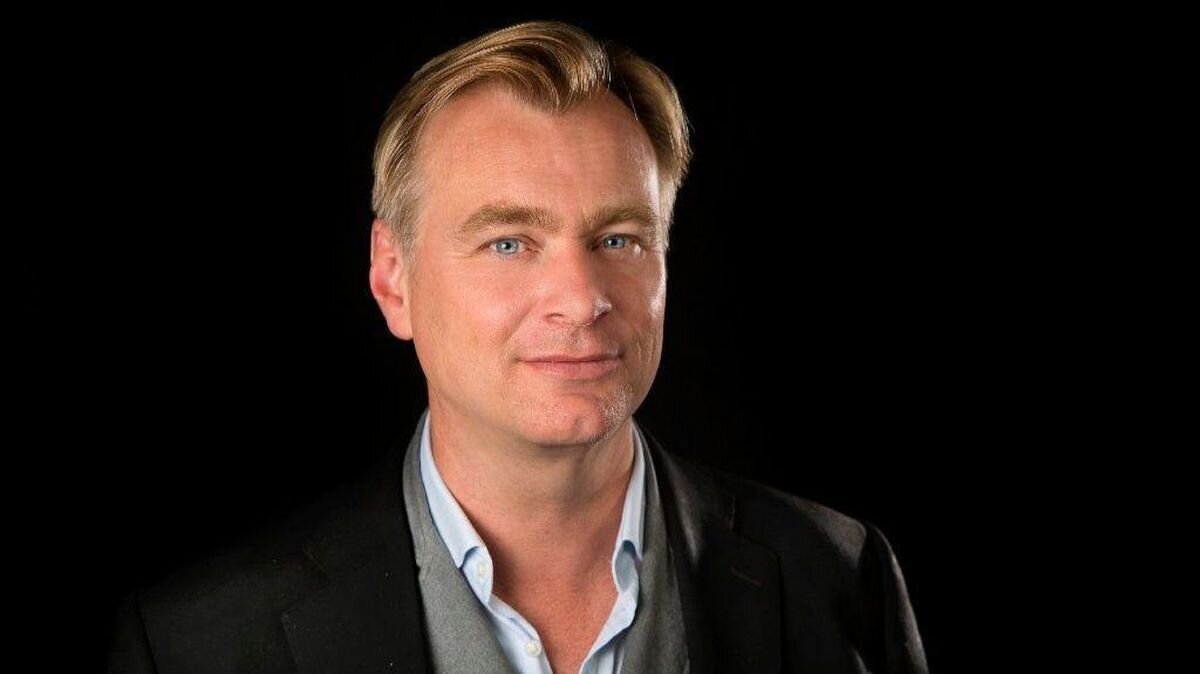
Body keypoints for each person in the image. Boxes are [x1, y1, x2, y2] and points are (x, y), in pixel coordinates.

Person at [107, 19, 928, 674]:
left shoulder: (839, 579)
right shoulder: (197, 646)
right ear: (393, 279)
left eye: (618, 239)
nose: (581, 298)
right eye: (509, 243)